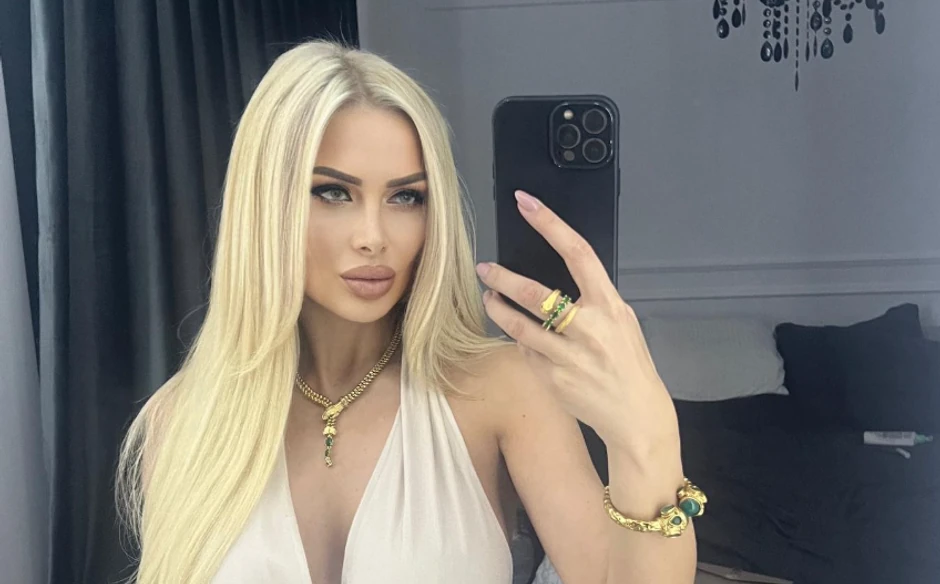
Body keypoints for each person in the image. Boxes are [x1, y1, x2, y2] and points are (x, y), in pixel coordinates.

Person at [115, 41, 704, 584]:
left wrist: (648, 439)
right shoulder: (182, 421)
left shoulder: (498, 390)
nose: (373, 237)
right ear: (265, 202)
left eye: (405, 197)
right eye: (333, 192)